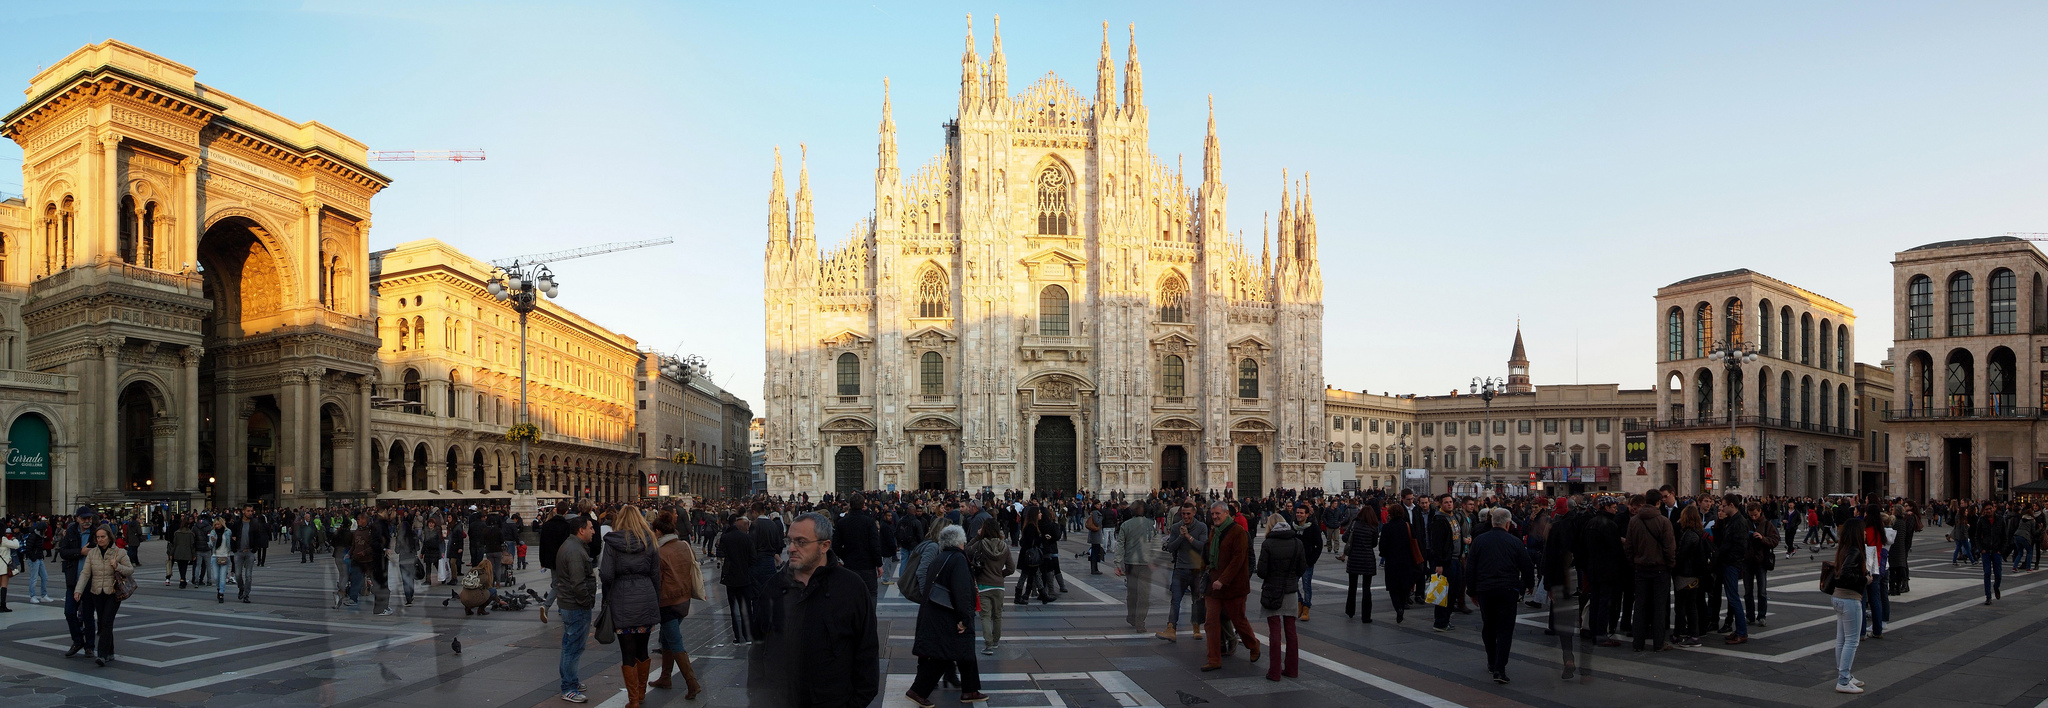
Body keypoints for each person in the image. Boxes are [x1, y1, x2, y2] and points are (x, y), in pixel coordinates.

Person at [754, 512, 880, 707]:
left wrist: (855, 703)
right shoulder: (774, 587)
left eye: (801, 542)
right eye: (790, 541)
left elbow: (867, 651)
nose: (792, 549)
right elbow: (760, 648)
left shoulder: (851, 587)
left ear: (824, 546)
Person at [904, 524, 987, 706]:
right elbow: (962, 591)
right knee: (945, 654)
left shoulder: (941, 557)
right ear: (959, 542)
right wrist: (965, 619)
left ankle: (970, 690)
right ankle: (917, 690)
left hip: (937, 612)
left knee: (964, 650)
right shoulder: (957, 559)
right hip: (949, 615)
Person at [600, 506, 662, 708]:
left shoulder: (612, 542)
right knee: (642, 648)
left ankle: (633, 700)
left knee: (627, 650)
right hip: (645, 595)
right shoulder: (649, 540)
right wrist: (655, 598)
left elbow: (607, 574)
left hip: (621, 598)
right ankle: (642, 694)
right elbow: (655, 574)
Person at [1467, 508, 1534, 683]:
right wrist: (1528, 585)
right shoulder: (1514, 541)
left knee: (1488, 626)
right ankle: (1500, 668)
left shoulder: (1479, 541)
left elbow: (1471, 567)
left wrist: (1472, 591)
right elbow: (1526, 566)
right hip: (1507, 589)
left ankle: (1491, 659)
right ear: (1508, 523)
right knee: (1505, 629)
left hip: (1485, 589)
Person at [649, 512, 705, 699]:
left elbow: (657, 581)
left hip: (668, 603)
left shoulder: (659, 552)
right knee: (666, 639)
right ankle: (665, 677)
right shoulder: (684, 545)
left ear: (658, 531)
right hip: (684, 600)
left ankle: (692, 683)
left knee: (675, 642)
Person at [1202, 501, 1259, 672]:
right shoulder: (1214, 532)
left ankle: (1253, 645)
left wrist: (1223, 580)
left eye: (1218, 514)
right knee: (1211, 622)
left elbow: (1238, 560)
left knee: (1238, 620)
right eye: (1212, 514)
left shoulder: (1238, 532)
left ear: (1227, 513)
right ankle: (1213, 659)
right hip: (1214, 585)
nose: (1214, 517)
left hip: (1234, 586)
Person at [553, 516, 597, 704]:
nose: (593, 531)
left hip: (569, 603)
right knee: (574, 647)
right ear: (581, 530)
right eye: (590, 528)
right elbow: (578, 582)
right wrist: (586, 602)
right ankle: (569, 687)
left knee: (569, 644)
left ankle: (571, 681)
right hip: (575, 605)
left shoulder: (572, 546)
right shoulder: (574, 551)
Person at [1254, 515, 1305, 682]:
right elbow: (1302, 568)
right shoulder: (1297, 542)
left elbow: (1261, 572)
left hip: (1272, 592)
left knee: (1274, 632)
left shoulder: (1268, 544)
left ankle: (1274, 672)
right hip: (1290, 591)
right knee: (1291, 631)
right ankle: (1292, 669)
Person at [74, 525, 133, 667]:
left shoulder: (119, 552)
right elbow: (85, 573)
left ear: (109, 537)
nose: (100, 540)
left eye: (103, 537)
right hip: (97, 592)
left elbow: (130, 570)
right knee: (103, 622)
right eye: (98, 537)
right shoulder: (92, 553)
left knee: (106, 622)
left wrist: (117, 566)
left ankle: (102, 654)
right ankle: (110, 650)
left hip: (113, 592)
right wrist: (79, 590)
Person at [1624, 494, 1675, 652]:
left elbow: (1629, 547)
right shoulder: (1664, 521)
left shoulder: (1634, 521)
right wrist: (1670, 564)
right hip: (1660, 569)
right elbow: (1669, 547)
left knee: (1640, 606)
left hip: (1640, 569)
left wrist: (1634, 562)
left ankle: (1637, 643)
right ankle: (1658, 643)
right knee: (1659, 608)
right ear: (1658, 503)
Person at [1830, 518, 1872, 694]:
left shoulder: (1844, 549)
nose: (1865, 533)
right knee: (1852, 641)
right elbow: (1846, 574)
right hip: (1849, 599)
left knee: (1842, 639)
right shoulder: (1855, 550)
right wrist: (1865, 579)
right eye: (1863, 530)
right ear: (1856, 532)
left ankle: (1845, 674)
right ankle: (1844, 679)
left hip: (1838, 597)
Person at [1157, 504, 1209, 642]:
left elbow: (1203, 546)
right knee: (1175, 600)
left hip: (1197, 570)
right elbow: (1170, 547)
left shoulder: (1202, 527)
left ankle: (1196, 627)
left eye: (1188, 514)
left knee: (1197, 600)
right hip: (1180, 569)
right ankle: (1171, 628)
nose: (1185, 516)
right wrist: (1181, 536)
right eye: (1183, 514)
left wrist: (1188, 536)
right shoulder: (1176, 527)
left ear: (1194, 513)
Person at [969, 518, 1013, 655]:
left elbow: (967, 549)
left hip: (983, 585)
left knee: (985, 616)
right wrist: (1001, 574)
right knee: (997, 615)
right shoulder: (1004, 546)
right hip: (999, 586)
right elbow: (1011, 568)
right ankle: (995, 642)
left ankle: (988, 644)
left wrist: (977, 536)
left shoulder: (981, 544)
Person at [1116, 501, 1158, 633]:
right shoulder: (1151, 524)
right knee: (1144, 595)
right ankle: (1140, 622)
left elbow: (1120, 544)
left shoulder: (1125, 525)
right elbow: (1155, 543)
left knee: (1132, 593)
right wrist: (1154, 559)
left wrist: (1117, 563)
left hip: (1130, 563)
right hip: (1146, 564)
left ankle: (1132, 616)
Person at [1672, 505, 1711, 647]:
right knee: (1691, 605)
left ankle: (1685, 634)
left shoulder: (1688, 535)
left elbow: (1682, 556)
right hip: (1695, 575)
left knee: (1683, 606)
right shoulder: (1699, 532)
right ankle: (1692, 634)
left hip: (1686, 574)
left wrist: (1674, 565)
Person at [718, 517, 756, 644]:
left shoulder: (726, 537)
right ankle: (748, 635)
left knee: (734, 609)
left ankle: (738, 636)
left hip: (730, 577)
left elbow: (721, 554)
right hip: (744, 576)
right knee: (746, 608)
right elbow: (752, 558)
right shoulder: (746, 538)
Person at [1379, 505, 1420, 624]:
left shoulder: (1387, 527)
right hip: (1407, 561)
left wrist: (1386, 554)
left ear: (1390, 514)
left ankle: (1398, 608)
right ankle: (1402, 605)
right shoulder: (1408, 526)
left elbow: (1382, 547)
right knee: (1404, 587)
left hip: (1392, 561)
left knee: (1393, 588)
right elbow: (1414, 541)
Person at [836, 497, 884, 597]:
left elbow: (836, 546)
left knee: (851, 594)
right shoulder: (869, 522)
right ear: (863, 505)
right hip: (868, 565)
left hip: (850, 565)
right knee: (870, 594)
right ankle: (869, 613)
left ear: (850, 505)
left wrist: (845, 556)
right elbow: (875, 545)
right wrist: (879, 564)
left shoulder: (841, 523)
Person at [1342, 502, 1380, 623]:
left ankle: (1350, 610)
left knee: (1352, 586)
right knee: (1366, 588)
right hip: (1368, 559)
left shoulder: (1354, 523)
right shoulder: (1374, 526)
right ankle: (1366, 616)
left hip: (1354, 558)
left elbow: (1344, 538)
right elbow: (1374, 543)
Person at [1292, 503, 1324, 622]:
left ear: (1306, 514)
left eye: (1301, 513)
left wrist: (1311, 560)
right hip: (1294, 561)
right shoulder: (1293, 526)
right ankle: (1300, 602)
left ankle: (1306, 608)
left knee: (1306, 585)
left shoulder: (1313, 527)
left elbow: (1319, 545)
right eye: (1297, 513)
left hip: (1307, 561)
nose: (1299, 515)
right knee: (1292, 584)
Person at [230, 505, 267, 604]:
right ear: (243, 511)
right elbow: (232, 536)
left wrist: (255, 549)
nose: (250, 513)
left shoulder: (255, 523)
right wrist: (234, 549)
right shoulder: (237, 523)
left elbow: (258, 537)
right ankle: (241, 588)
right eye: (248, 511)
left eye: (251, 511)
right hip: (239, 552)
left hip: (249, 552)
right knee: (237, 574)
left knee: (248, 575)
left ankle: (246, 594)